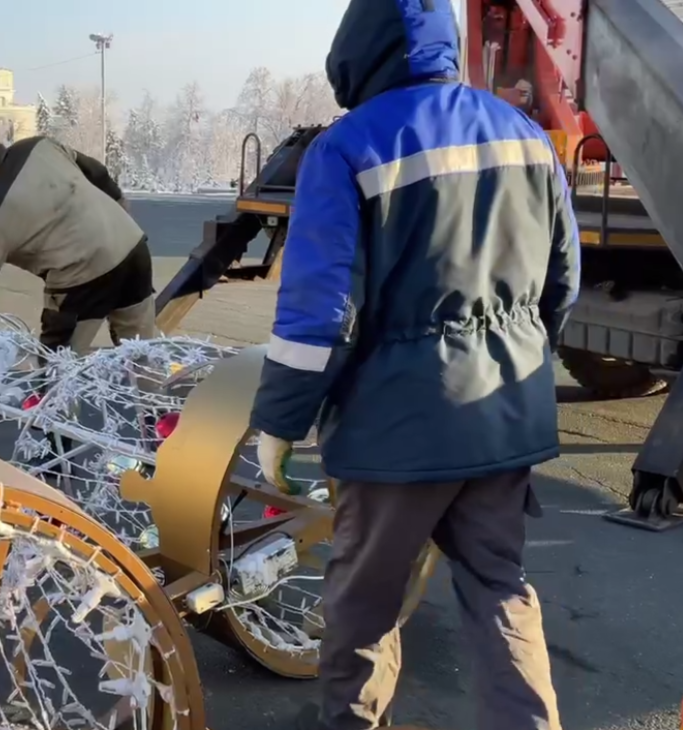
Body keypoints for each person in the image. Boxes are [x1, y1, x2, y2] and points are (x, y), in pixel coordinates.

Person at [248, 0, 579, 728]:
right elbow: (563, 279)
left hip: (395, 434)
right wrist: (516, 359)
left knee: (364, 608)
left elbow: (320, 315)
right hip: (503, 422)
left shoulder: (347, 147)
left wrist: (278, 421)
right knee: (500, 590)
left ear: (357, 52)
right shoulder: (523, 133)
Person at [0, 133, 156, 378]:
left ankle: (57, 414)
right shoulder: (39, 145)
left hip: (82, 274)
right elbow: (95, 171)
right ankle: (158, 412)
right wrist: (118, 210)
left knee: (57, 367)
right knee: (141, 353)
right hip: (133, 247)